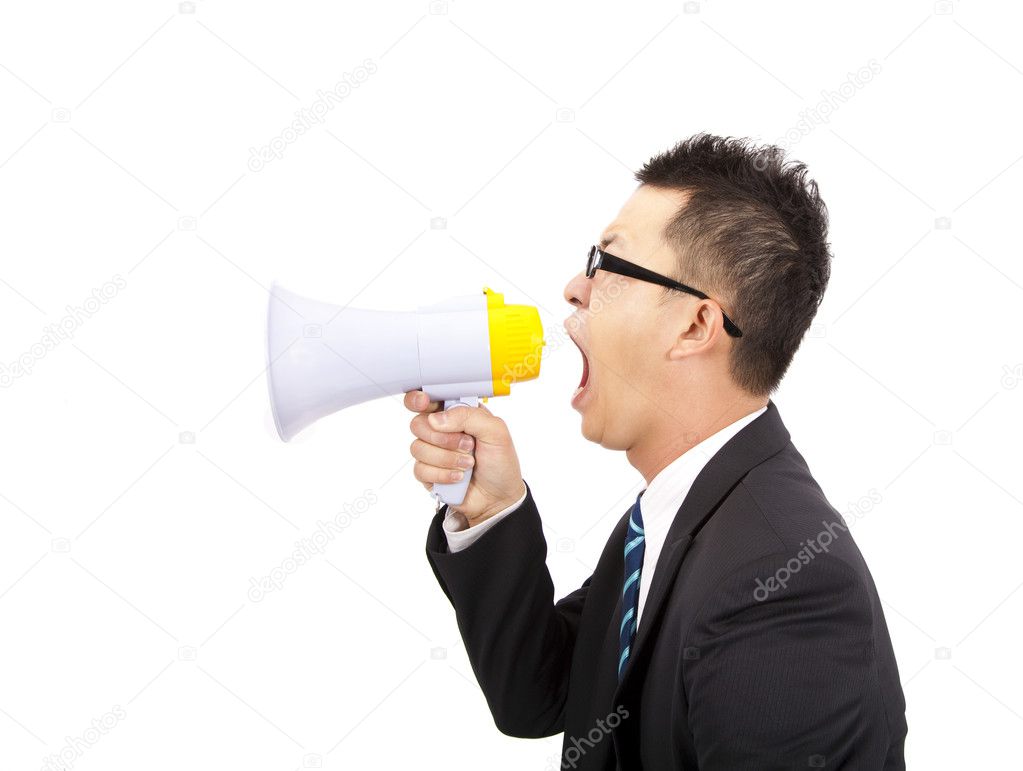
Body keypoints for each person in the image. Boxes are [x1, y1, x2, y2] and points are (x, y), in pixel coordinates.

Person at [405, 133, 907, 769]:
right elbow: (540, 695)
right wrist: (491, 509)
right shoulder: (670, 520)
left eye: (606, 265)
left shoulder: (786, 582)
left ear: (696, 326)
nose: (573, 287)